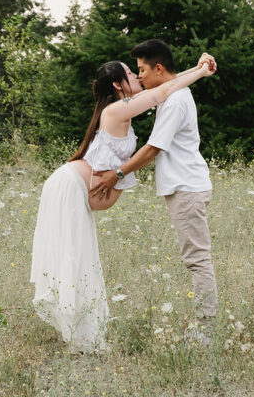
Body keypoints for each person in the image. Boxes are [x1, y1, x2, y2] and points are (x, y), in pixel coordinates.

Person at [30, 53, 216, 352]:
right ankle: (81, 338)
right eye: (132, 74)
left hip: (77, 190)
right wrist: (201, 72)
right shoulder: (116, 110)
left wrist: (196, 69)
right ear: (118, 85)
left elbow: (165, 85)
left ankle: (84, 337)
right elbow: (163, 90)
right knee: (75, 258)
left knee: (82, 258)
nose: (138, 77)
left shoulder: (124, 111)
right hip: (71, 186)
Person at [91, 38, 218, 335]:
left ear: (158, 68)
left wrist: (117, 174)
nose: (140, 77)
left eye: (142, 71)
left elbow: (153, 148)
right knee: (195, 258)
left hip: (186, 188)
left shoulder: (174, 101)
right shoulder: (173, 94)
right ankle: (205, 326)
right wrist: (200, 68)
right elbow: (169, 85)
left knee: (197, 260)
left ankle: (205, 331)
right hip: (185, 186)